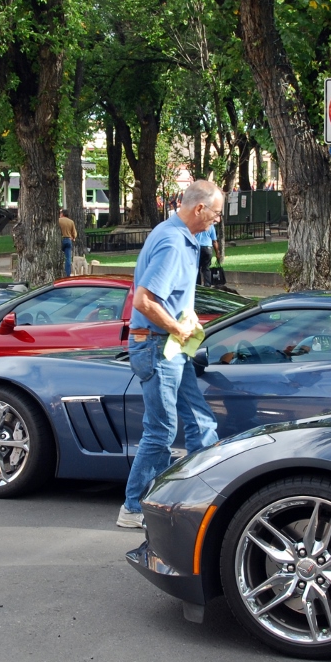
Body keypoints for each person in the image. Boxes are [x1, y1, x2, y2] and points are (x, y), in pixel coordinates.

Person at [118, 179, 223, 529]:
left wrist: (185, 319)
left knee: (200, 422)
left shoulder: (179, 236)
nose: (216, 221)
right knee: (161, 431)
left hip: (168, 345)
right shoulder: (173, 242)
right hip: (158, 345)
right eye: (216, 214)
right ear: (199, 209)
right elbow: (144, 300)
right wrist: (179, 328)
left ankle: (200, 500)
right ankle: (134, 508)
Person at [58, 209, 78, 277]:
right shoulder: (71, 222)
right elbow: (74, 234)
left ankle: (58, 272)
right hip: (68, 240)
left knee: (57, 256)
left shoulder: (58, 220)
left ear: (62, 214)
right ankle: (67, 275)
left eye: (60, 213)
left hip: (60, 240)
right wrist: (72, 237)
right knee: (68, 259)